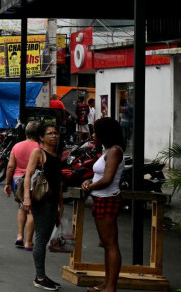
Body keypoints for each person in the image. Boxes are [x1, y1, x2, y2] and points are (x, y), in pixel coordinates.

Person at [81, 118, 125, 292]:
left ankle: (111, 286)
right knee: (106, 244)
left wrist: (89, 186)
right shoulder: (109, 150)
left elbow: (107, 180)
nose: (93, 135)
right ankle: (107, 283)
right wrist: (89, 181)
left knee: (111, 244)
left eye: (95, 131)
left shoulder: (115, 151)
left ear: (104, 133)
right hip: (100, 198)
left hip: (107, 198)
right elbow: (101, 176)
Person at [23, 123, 64, 291]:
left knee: (45, 238)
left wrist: (61, 204)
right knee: (40, 239)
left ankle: (42, 275)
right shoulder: (38, 152)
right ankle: (40, 277)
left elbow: (58, 182)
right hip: (41, 201)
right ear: (41, 137)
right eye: (50, 133)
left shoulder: (56, 154)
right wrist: (27, 197)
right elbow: (28, 175)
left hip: (53, 201)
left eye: (55, 133)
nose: (54, 136)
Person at [4, 121, 41, 251]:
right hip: (33, 180)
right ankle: (29, 241)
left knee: (21, 207)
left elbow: (10, 166)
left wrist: (8, 183)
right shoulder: (40, 148)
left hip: (17, 180)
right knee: (32, 210)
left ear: (26, 132)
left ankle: (20, 236)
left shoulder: (16, 146)